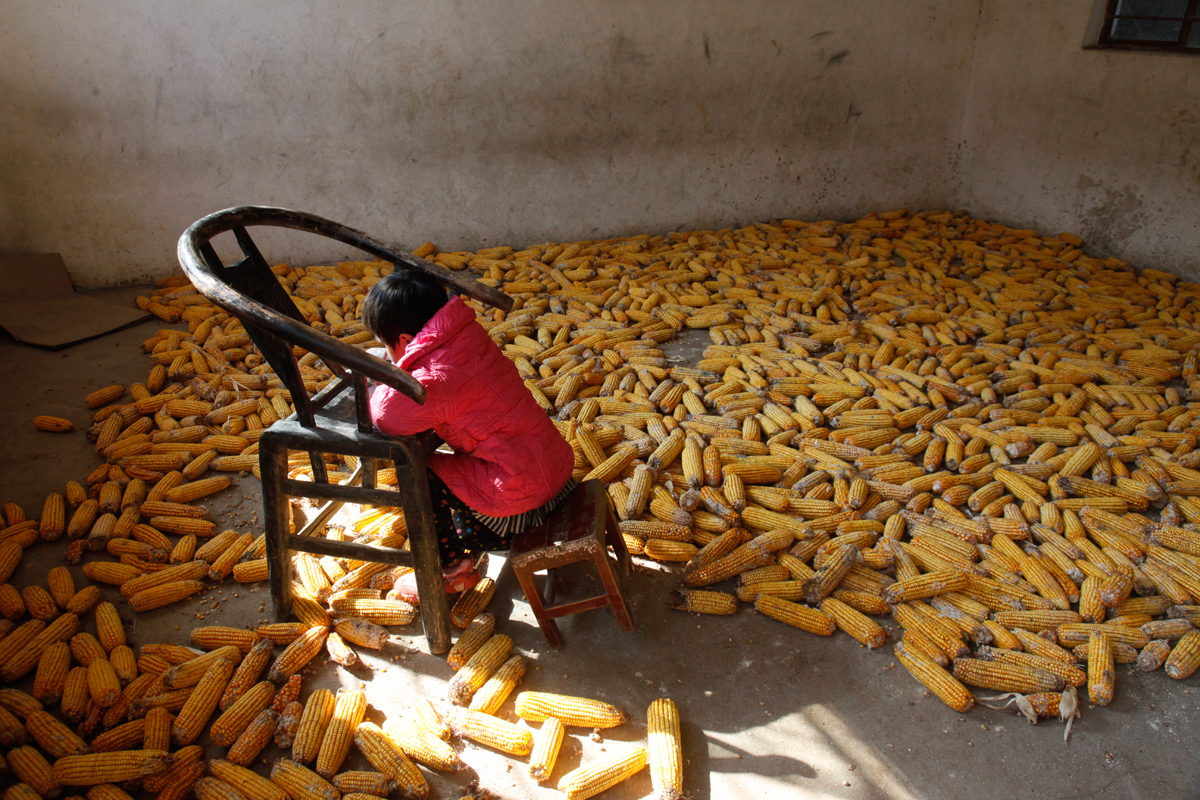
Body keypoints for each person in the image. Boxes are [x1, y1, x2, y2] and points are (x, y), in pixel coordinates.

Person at [363, 268, 576, 600]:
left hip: (522, 493)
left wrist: (376, 383)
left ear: (404, 341)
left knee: (420, 469)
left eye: (385, 347)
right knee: (459, 469)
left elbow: (387, 418)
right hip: (554, 468)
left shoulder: (435, 376)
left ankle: (451, 569)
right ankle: (470, 542)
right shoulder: (465, 335)